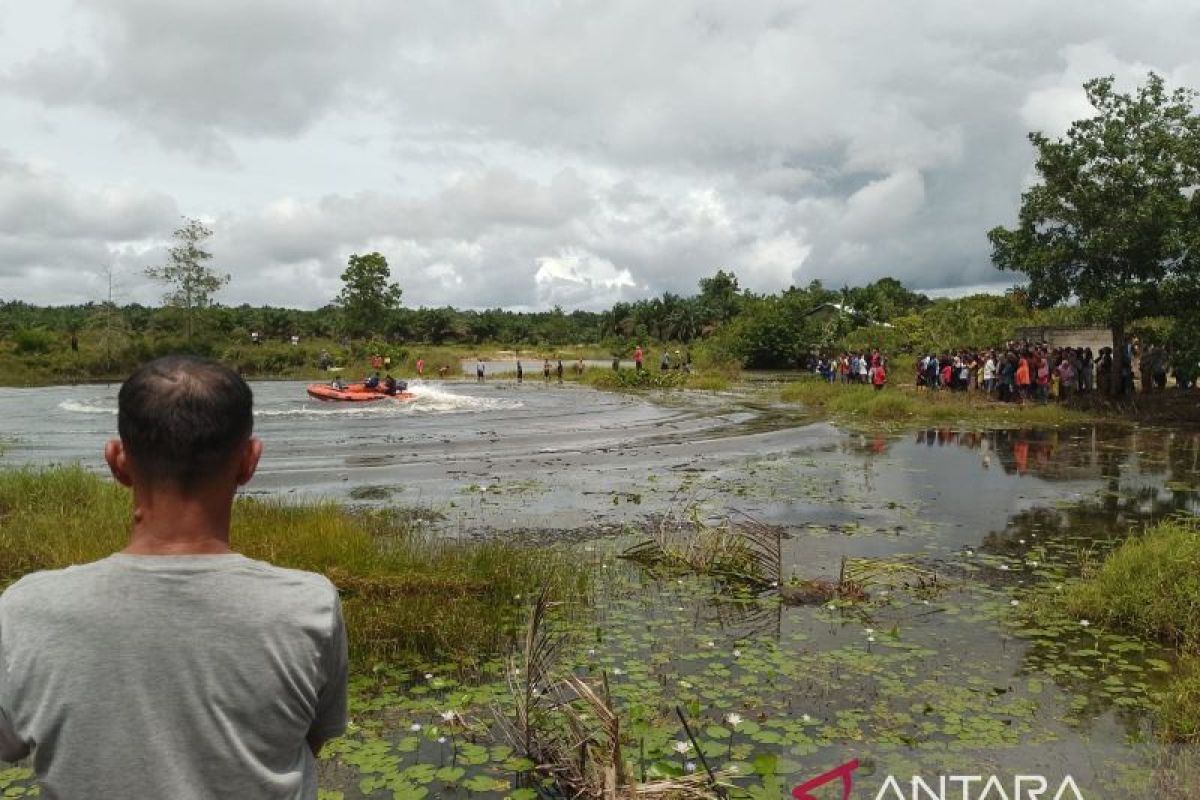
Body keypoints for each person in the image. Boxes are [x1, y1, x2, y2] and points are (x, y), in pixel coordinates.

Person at [0, 355, 348, 798]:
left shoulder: (25, 608)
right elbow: (309, 742)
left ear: (117, 461)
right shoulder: (309, 605)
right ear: (249, 461)